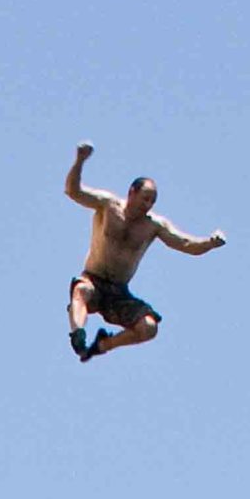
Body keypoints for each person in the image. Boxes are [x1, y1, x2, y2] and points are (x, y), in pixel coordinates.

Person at [65, 148, 225, 363]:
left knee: (149, 328)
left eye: (152, 201)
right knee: (82, 290)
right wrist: (79, 161)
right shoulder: (108, 205)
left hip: (119, 293)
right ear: (131, 192)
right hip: (93, 279)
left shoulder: (153, 226)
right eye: (145, 198)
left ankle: (104, 344)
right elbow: (73, 191)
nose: (147, 205)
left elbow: (186, 244)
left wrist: (210, 243)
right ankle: (77, 335)